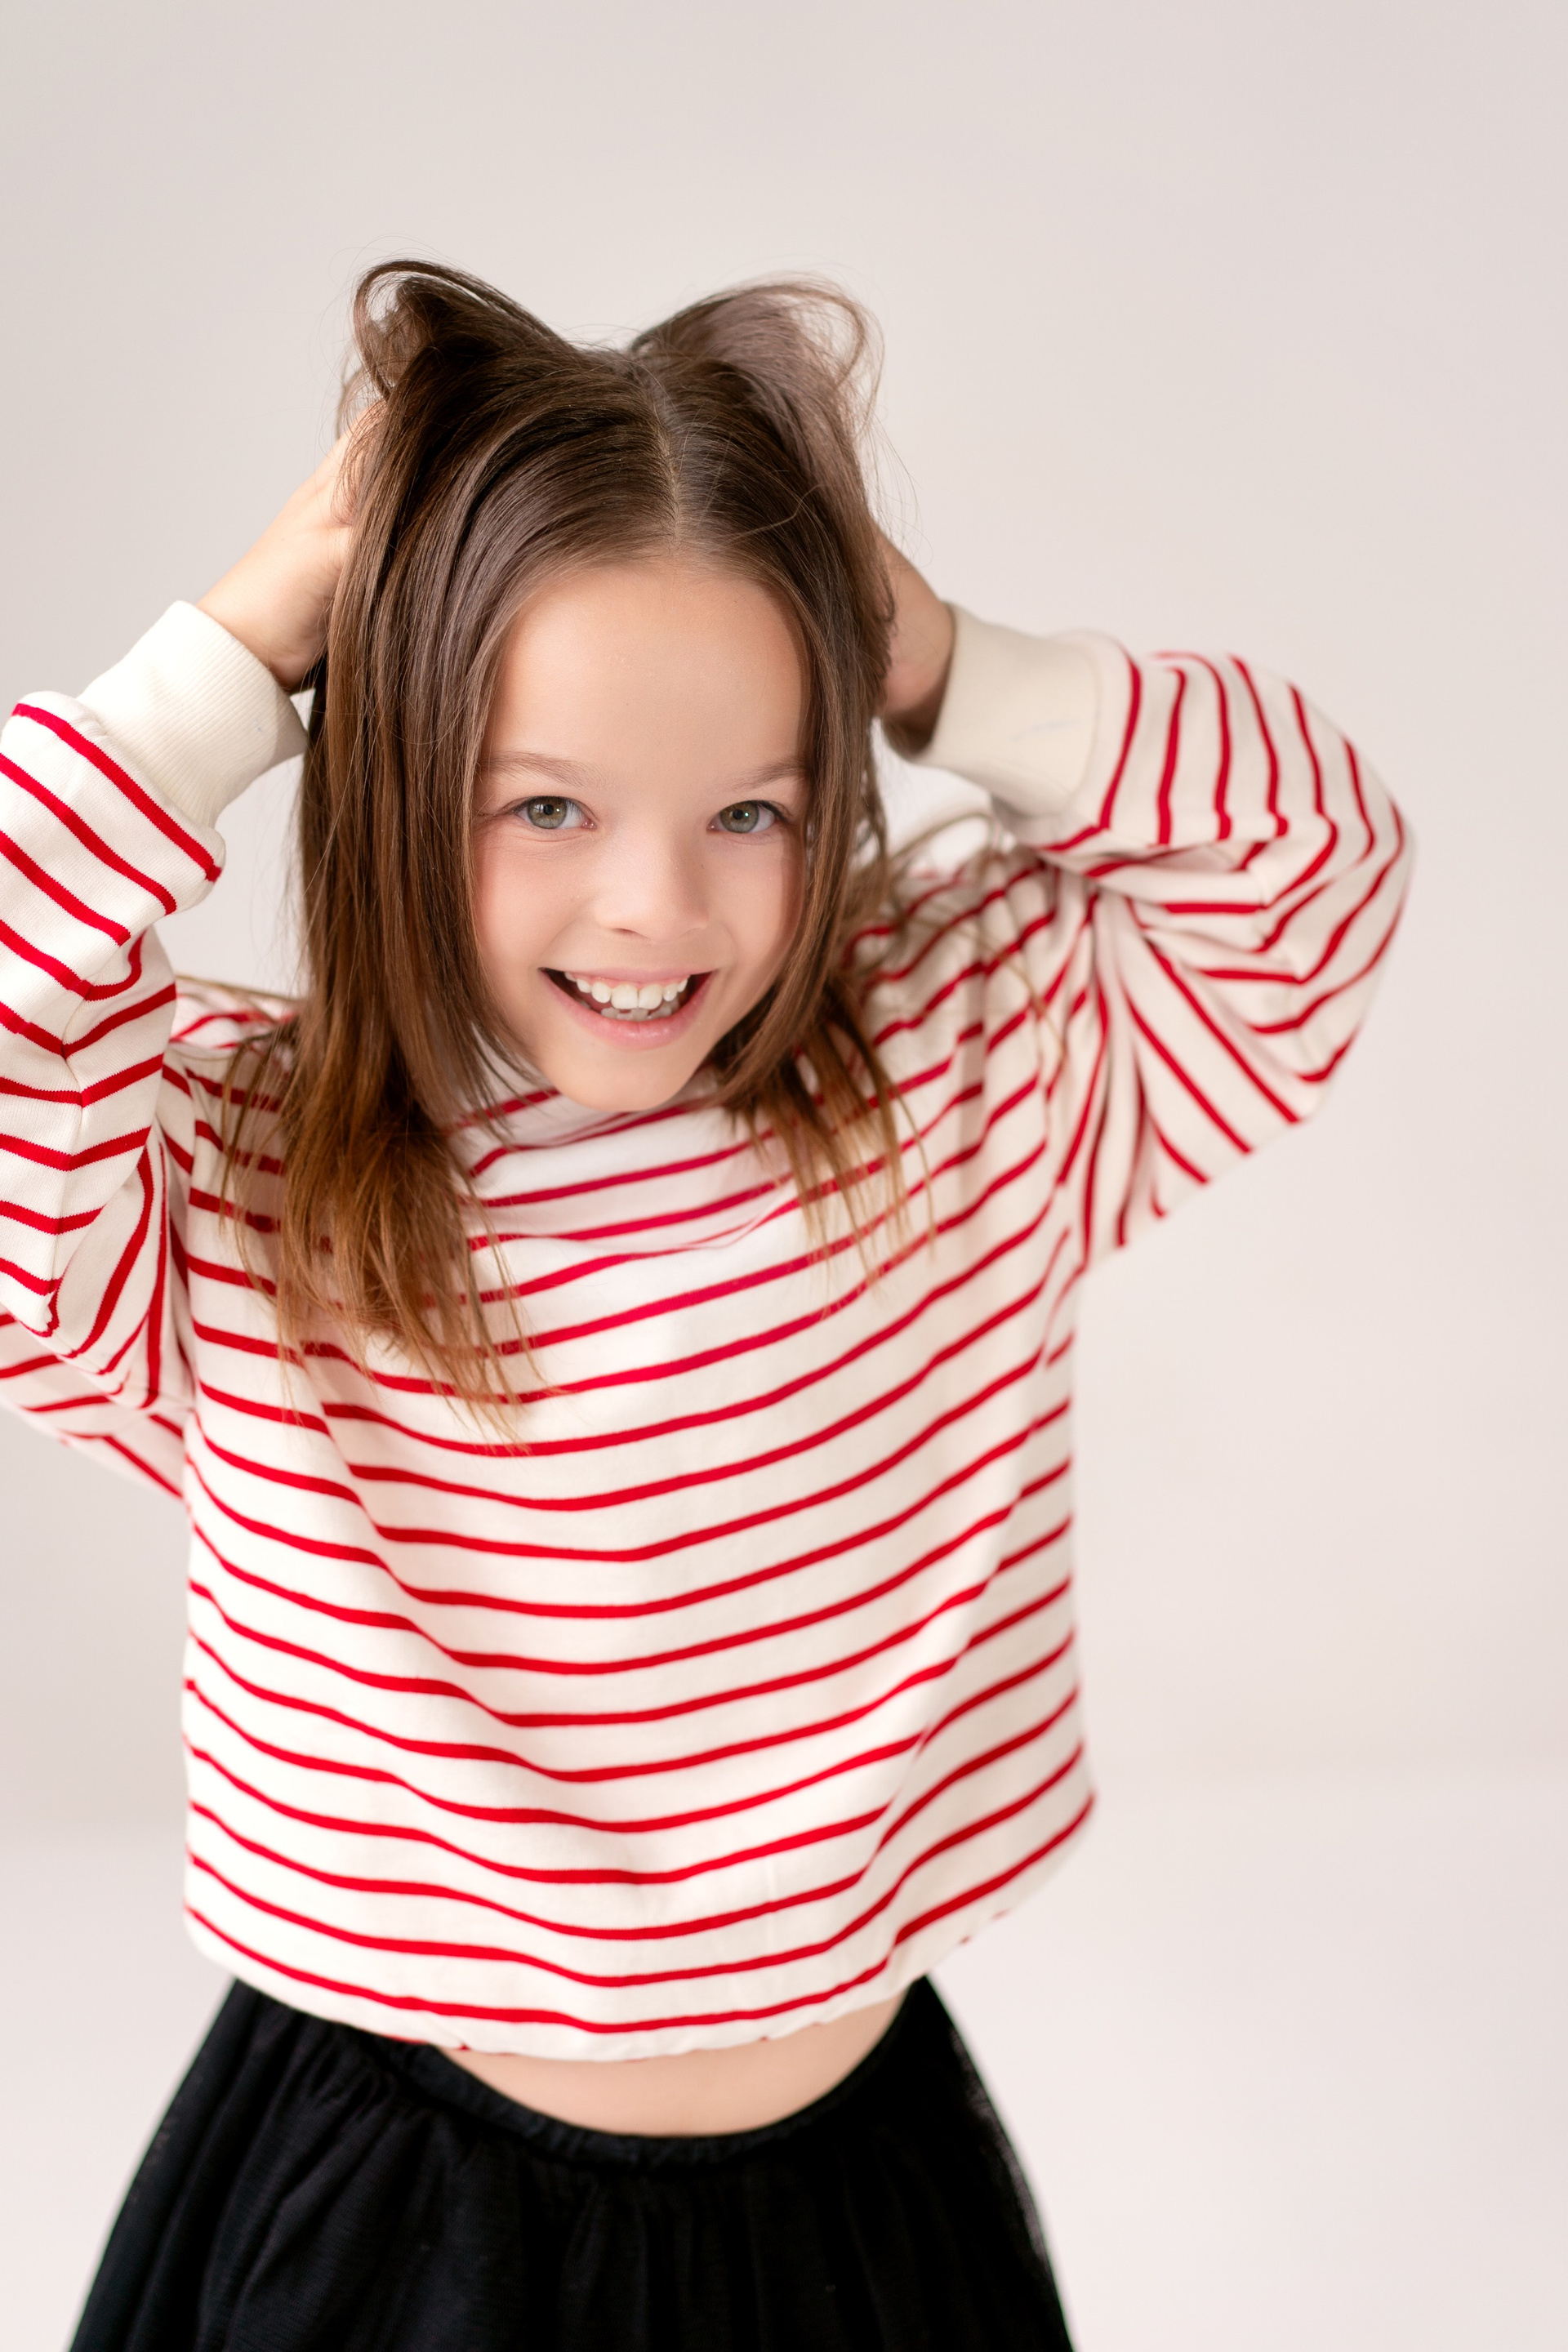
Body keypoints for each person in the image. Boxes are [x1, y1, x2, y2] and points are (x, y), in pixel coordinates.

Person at [0, 261, 1410, 2350]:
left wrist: (945, 667)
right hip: (401, 2221)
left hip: (859, 2197)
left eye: (750, 807)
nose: (656, 905)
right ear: (387, 773)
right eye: (545, 803)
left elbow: (1315, 866)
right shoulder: (238, 1183)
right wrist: (218, 665)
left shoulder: (962, 1058)